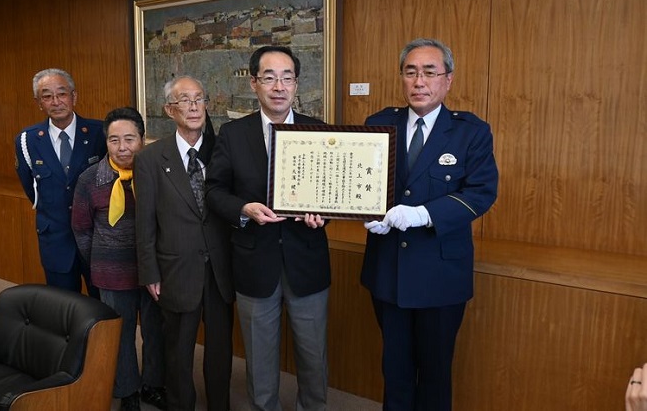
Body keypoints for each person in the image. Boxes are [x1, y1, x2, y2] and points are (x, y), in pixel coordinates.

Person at [362, 38, 499, 411]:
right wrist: (367, 214)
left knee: (436, 373)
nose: (419, 81)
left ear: (448, 79)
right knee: (395, 369)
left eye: (429, 72)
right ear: (402, 78)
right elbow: (361, 184)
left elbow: (481, 193)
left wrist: (423, 214)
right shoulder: (378, 124)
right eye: (410, 72)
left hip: (441, 274)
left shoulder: (471, 132)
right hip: (389, 270)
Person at [206, 46, 331, 411]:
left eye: (287, 77)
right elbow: (214, 190)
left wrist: (322, 214)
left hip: (307, 262)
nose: (279, 86)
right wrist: (243, 208)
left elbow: (333, 192)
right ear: (254, 83)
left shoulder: (319, 130)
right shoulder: (232, 134)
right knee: (259, 363)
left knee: (313, 359)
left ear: (296, 84)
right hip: (254, 264)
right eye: (269, 77)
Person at [135, 76, 234, 411]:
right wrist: (149, 271)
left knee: (220, 350)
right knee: (178, 351)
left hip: (221, 268)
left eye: (199, 99)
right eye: (184, 100)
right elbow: (145, 221)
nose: (193, 107)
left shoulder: (224, 149)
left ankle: (219, 405)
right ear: (169, 109)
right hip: (175, 268)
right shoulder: (150, 159)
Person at [71, 107, 166, 411]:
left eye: (129, 139)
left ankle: (154, 384)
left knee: (155, 330)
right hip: (111, 273)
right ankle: (128, 390)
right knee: (121, 334)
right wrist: (101, 261)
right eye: (114, 140)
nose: (122, 147)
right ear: (106, 143)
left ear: (142, 139)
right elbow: (82, 230)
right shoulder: (90, 179)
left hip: (154, 270)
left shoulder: (157, 173)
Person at [15, 68, 105, 297]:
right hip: (55, 240)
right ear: (39, 103)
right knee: (63, 308)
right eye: (47, 96)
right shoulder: (27, 140)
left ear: (74, 96)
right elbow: (31, 188)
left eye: (62, 94)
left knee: (102, 305)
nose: (56, 102)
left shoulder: (99, 133)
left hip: (96, 239)